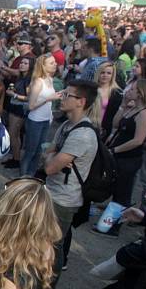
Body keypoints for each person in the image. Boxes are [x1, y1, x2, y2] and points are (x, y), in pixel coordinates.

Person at [42, 79, 98, 270]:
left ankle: (48, 288)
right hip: (52, 191)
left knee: (53, 247)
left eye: (67, 95)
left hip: (64, 200)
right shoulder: (67, 125)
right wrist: (53, 155)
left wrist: (52, 155)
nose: (62, 97)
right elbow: (49, 153)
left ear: (81, 101)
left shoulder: (82, 134)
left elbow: (50, 167)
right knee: (42, 244)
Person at [106, 79, 146, 213]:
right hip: (120, 155)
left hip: (129, 157)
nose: (128, 91)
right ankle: (110, 219)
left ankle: (114, 225)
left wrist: (114, 150)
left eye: (133, 89)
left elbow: (138, 140)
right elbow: (116, 124)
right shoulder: (133, 108)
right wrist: (123, 105)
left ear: (141, 93)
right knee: (117, 189)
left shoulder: (145, 113)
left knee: (123, 192)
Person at [21, 54, 62, 176]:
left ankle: (31, 176)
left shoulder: (50, 79)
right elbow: (31, 106)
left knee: (39, 151)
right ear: (43, 66)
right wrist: (48, 99)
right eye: (51, 63)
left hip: (45, 120)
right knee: (30, 151)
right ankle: (23, 178)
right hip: (35, 121)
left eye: (55, 62)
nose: (55, 64)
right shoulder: (38, 82)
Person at [2, 57, 32, 169]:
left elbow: (29, 97)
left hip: (20, 108)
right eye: (21, 62)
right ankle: (15, 157)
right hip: (14, 106)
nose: (22, 65)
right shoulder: (20, 76)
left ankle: (17, 159)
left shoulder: (28, 79)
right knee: (12, 133)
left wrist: (14, 95)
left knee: (14, 133)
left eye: (25, 63)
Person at [92, 61, 124, 140]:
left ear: (113, 75)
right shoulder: (90, 89)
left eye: (109, 73)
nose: (105, 75)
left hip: (105, 130)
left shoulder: (117, 93)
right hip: (89, 127)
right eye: (102, 72)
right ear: (98, 73)